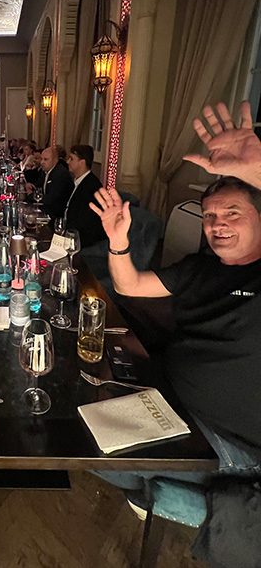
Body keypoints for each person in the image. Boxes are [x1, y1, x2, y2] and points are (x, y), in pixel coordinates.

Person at [89, 102, 261, 494]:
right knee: (82, 422)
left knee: (94, 450)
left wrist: (256, 171)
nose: (218, 224)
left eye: (233, 213)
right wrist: (118, 240)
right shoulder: (199, 267)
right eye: (210, 216)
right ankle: (161, 487)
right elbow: (131, 285)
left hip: (225, 442)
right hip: (168, 402)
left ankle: (176, 495)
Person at [64, 144, 106, 247]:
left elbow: (85, 223)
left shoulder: (91, 187)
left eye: (71, 159)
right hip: (69, 233)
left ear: (82, 163)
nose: (67, 162)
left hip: (81, 241)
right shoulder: (77, 181)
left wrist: (65, 238)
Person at [29, 147, 73, 220]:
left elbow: (50, 199)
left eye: (45, 159)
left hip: (56, 217)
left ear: (55, 160)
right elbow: (38, 187)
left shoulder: (60, 174)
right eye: (41, 159)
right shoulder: (45, 171)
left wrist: (30, 195)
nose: (41, 162)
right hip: (45, 211)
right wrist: (31, 186)